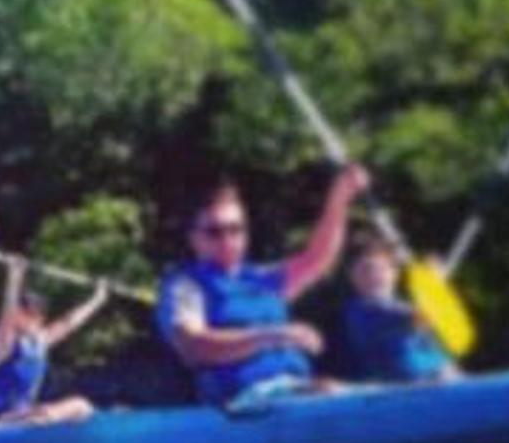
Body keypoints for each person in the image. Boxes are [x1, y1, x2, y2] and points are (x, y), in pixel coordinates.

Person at [155, 165, 369, 411]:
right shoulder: (185, 286)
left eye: (236, 230)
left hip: (294, 388)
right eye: (214, 232)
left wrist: (340, 197)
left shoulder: (262, 279)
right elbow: (194, 347)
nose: (227, 240)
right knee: (328, 395)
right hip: (242, 402)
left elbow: (317, 258)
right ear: (194, 238)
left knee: (342, 390)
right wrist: (273, 336)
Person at [0, 259, 109, 426]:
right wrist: (15, 277)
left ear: (40, 319)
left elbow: (70, 322)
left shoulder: (40, 342)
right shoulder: (4, 344)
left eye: (30, 313)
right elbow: (7, 314)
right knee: (48, 415)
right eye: (22, 311)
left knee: (81, 406)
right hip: (0, 421)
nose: (23, 316)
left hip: (27, 416)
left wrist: (98, 298)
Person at [341, 233, 456, 384]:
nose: (374, 275)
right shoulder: (359, 311)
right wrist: (434, 287)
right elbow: (420, 318)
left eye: (381, 269)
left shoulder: (406, 307)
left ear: (394, 274)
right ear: (352, 276)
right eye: (366, 269)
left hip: (437, 384)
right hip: (398, 391)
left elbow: (439, 354)